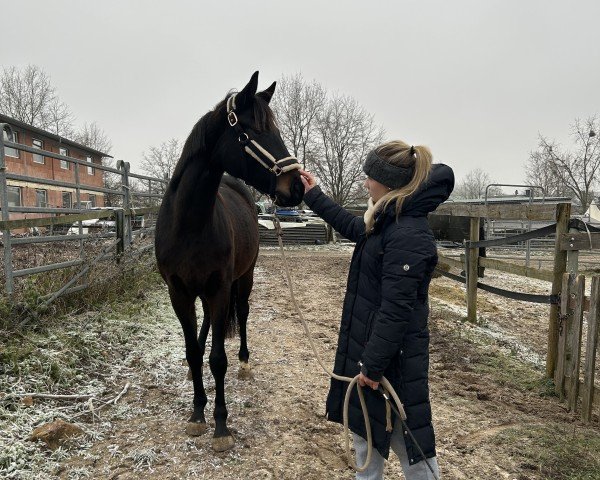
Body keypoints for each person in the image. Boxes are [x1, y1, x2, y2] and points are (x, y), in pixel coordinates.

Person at [299, 140, 454, 480]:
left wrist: (372, 365)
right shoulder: (388, 219)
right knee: (365, 436)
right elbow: (357, 230)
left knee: (409, 447)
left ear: (388, 182)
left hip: (390, 365)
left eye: (370, 176)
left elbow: (395, 311)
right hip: (373, 355)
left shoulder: (406, 234)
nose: (366, 182)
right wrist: (315, 197)